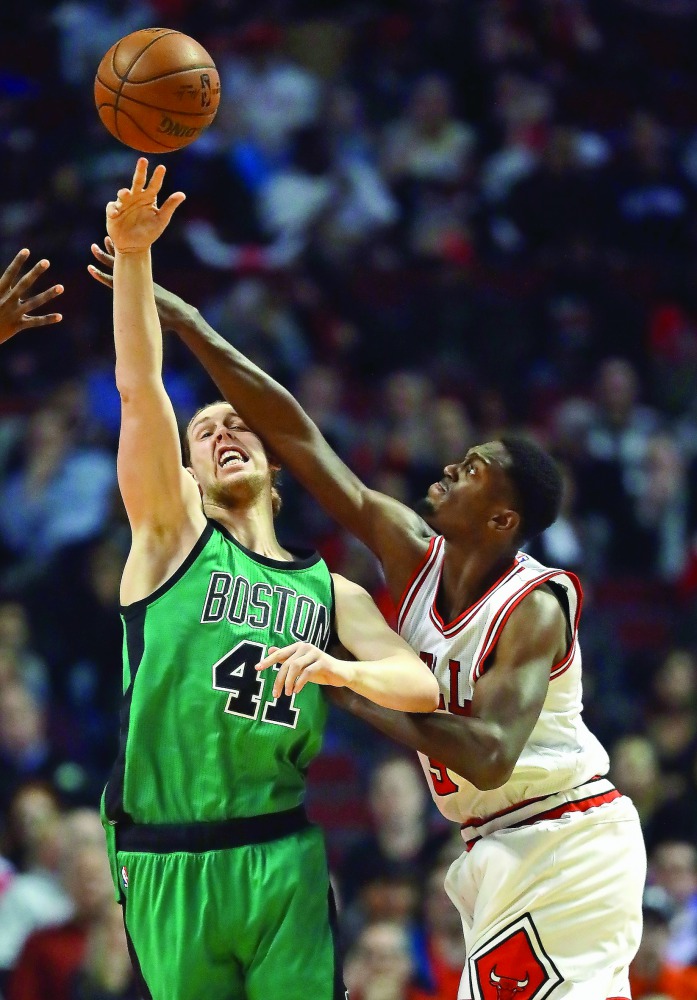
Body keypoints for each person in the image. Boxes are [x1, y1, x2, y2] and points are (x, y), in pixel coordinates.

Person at [90, 193, 647, 998]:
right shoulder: (404, 556)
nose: (448, 467)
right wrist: (189, 323)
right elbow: (301, 439)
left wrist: (336, 681)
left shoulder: (529, 605)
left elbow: (485, 754)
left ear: (501, 517)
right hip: (476, 845)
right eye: (205, 430)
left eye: (472, 469)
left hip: (561, 832)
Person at [94, 158, 438, 1000]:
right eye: (206, 429)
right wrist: (134, 259)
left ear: (275, 475)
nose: (222, 432)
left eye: (238, 423)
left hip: (280, 846)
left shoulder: (331, 592)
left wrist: (336, 667)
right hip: (168, 852)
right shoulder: (171, 536)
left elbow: (418, 684)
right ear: (188, 472)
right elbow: (141, 394)